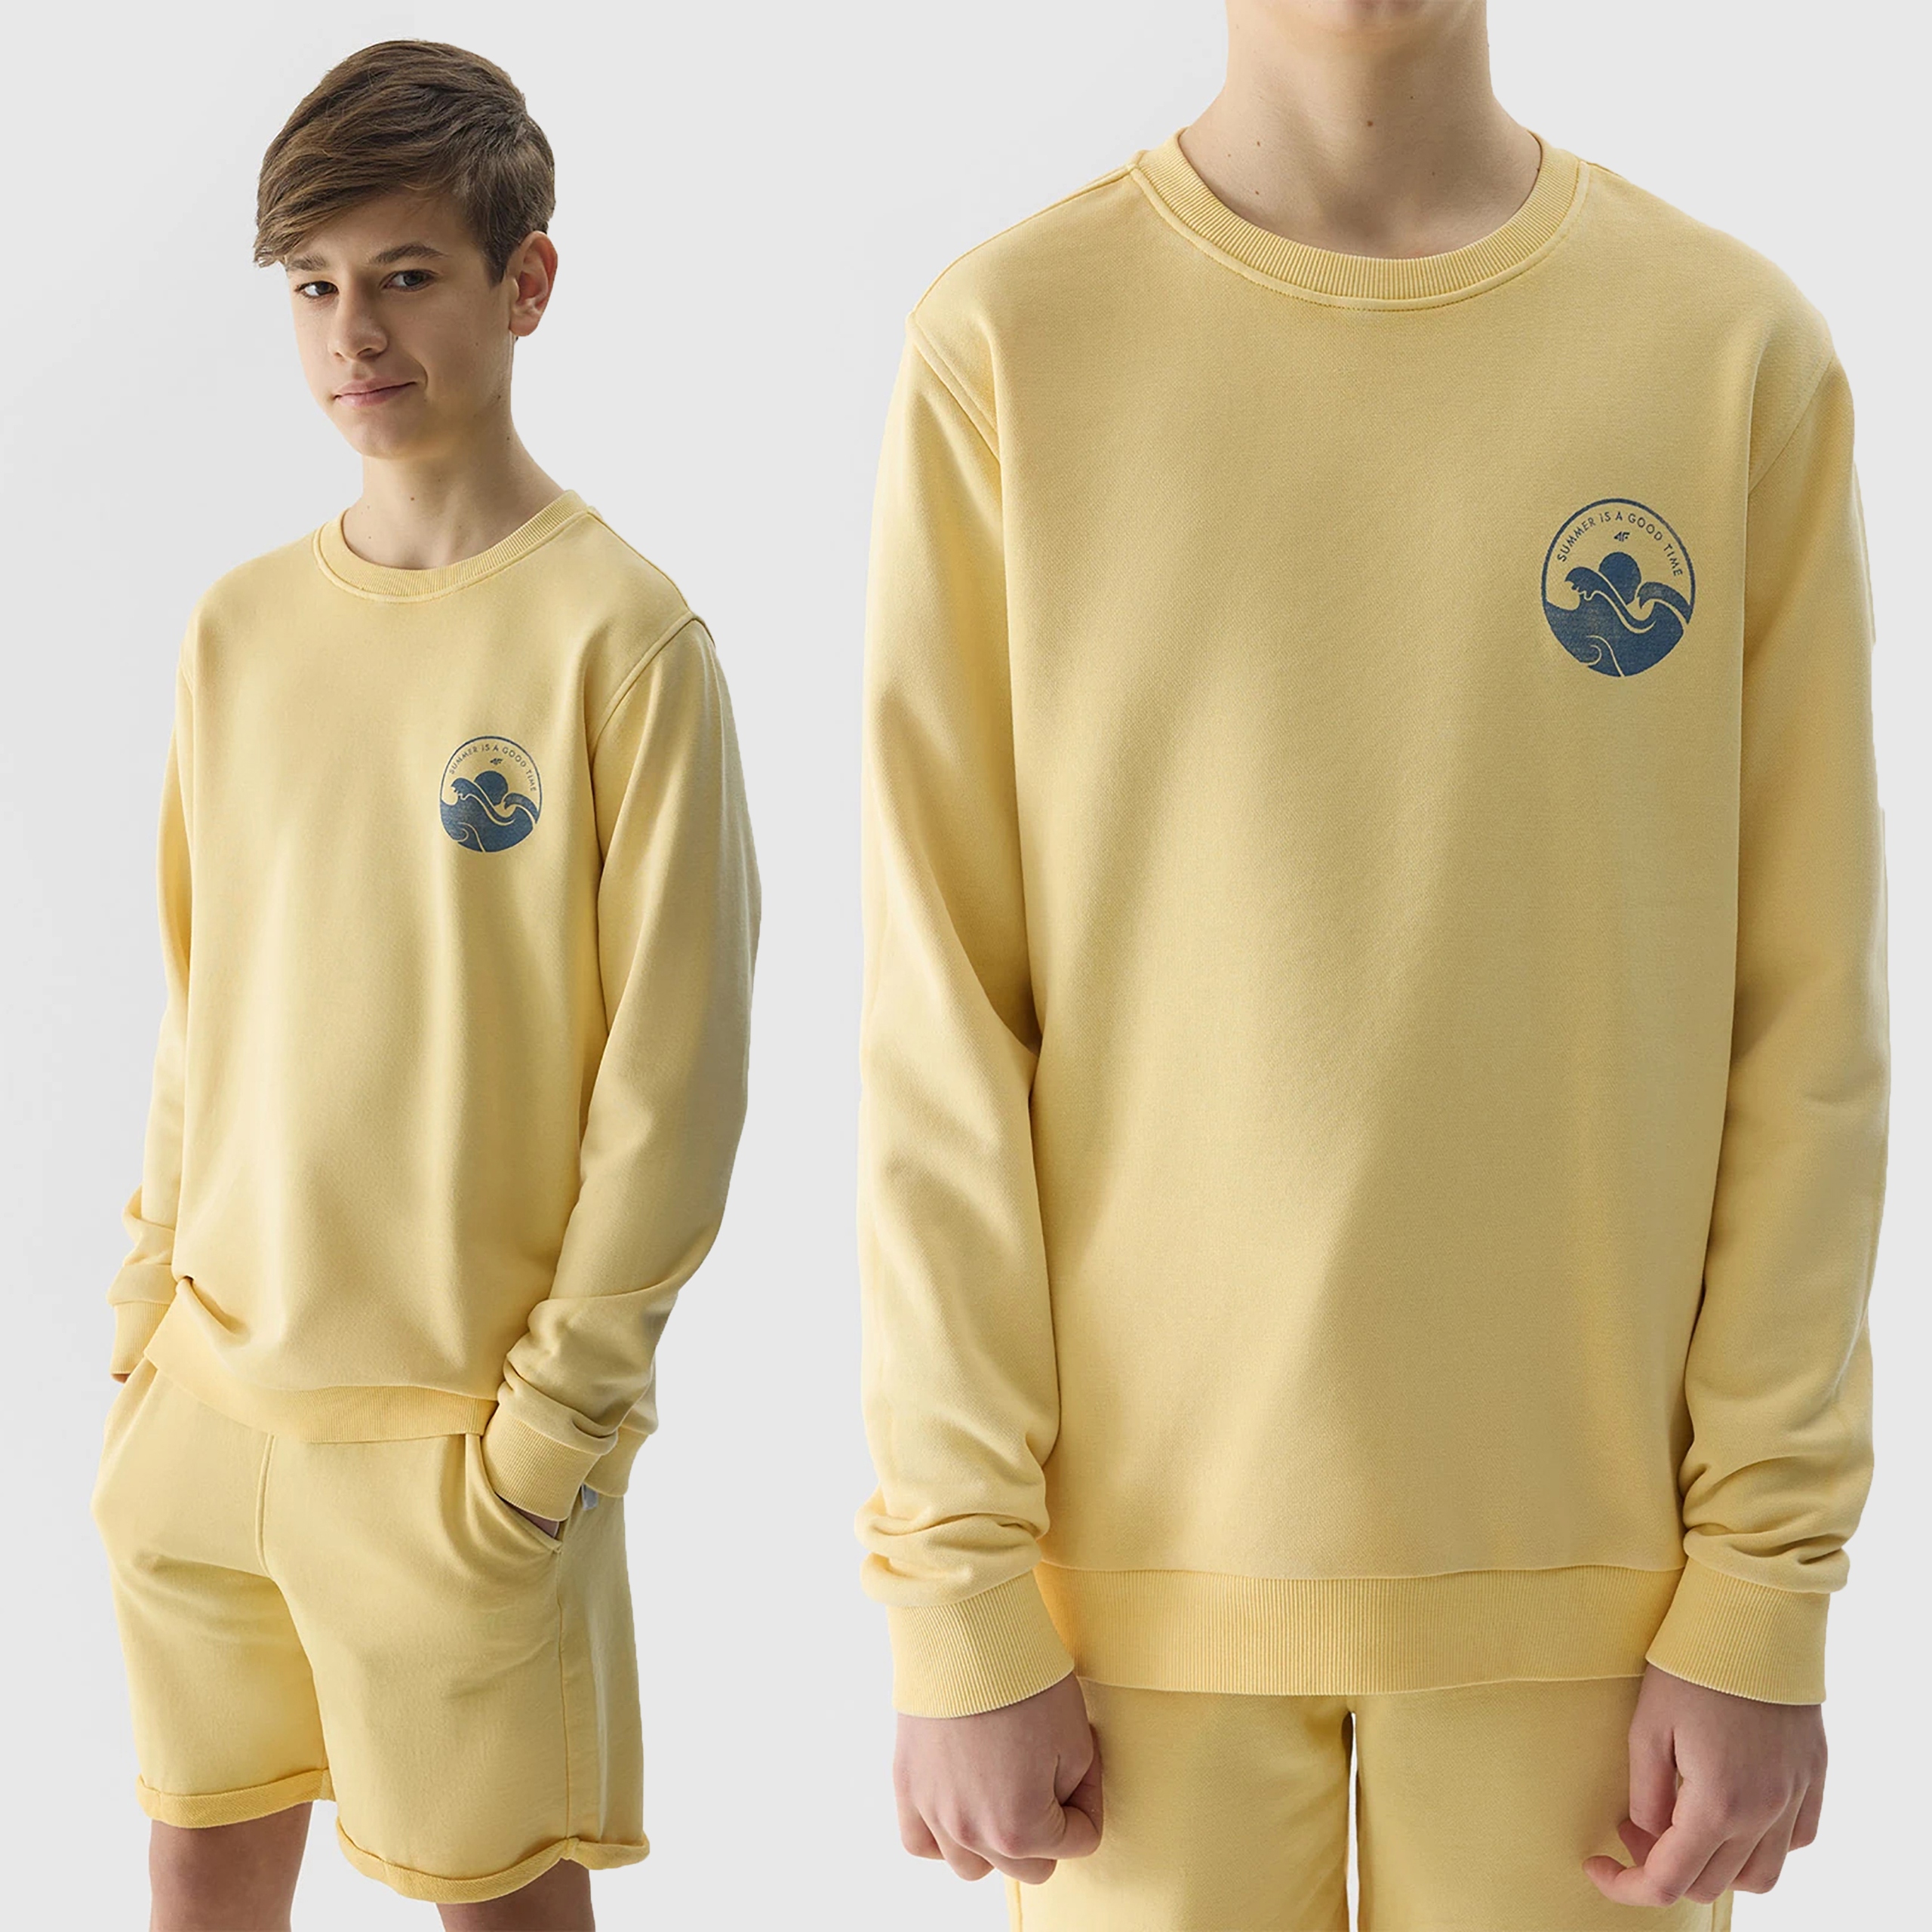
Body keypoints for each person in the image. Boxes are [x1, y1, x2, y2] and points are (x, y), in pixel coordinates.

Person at [854, 2, 1888, 1925]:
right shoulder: (1008, 342)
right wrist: (958, 1579)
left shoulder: (1722, 348)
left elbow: (1804, 1018)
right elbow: (944, 1015)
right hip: (1127, 1608)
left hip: (1596, 1605)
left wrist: (1761, 1582)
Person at [90, 40, 758, 1930]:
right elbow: (202, 1003)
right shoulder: (239, 628)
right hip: (207, 1408)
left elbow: (673, 1084)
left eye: (404, 275)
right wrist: (143, 1329)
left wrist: (548, 1443)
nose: (352, 334)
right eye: (312, 286)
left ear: (523, 281)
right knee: (199, 1870)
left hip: (461, 1442)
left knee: (495, 1905)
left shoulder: (621, 638)